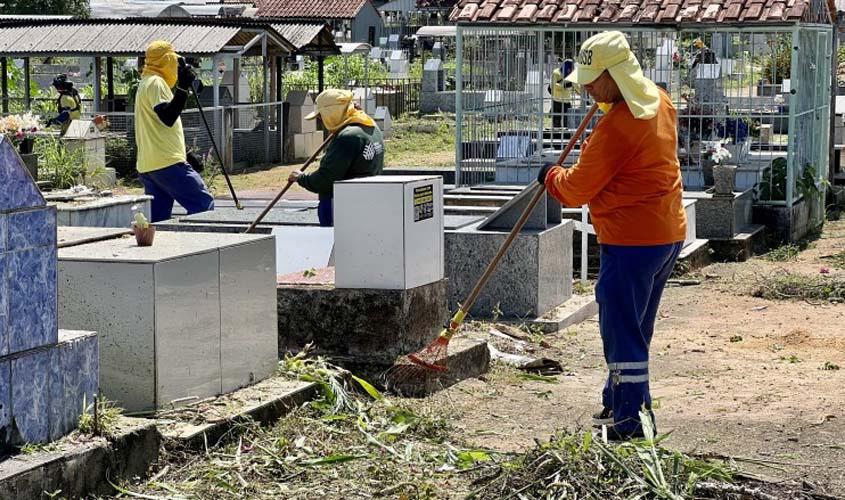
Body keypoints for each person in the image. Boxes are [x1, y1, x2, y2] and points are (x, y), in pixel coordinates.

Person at [536, 31, 688, 441]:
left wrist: (550, 174)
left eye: (593, 78)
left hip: (631, 239)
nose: (586, 86)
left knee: (621, 331)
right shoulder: (659, 101)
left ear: (616, 76)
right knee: (635, 327)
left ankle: (630, 423)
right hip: (666, 232)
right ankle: (622, 401)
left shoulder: (618, 127)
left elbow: (575, 189)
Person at [135, 41, 214, 223]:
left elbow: (157, 127)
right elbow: (168, 117)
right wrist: (183, 87)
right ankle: (200, 248)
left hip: (150, 166)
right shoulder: (156, 83)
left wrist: (185, 154)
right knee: (204, 207)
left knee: (158, 221)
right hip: (167, 164)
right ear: (166, 60)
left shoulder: (145, 83)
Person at [288, 89, 385, 227]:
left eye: (321, 116)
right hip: (366, 201)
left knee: (337, 245)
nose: (321, 120)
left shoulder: (348, 137)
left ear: (332, 113)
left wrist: (301, 178)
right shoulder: (371, 126)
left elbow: (325, 180)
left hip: (340, 205)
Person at [549, 59, 575, 131]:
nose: (570, 70)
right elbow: (552, 86)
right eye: (569, 68)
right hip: (557, 100)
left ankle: (567, 138)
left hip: (567, 101)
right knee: (556, 123)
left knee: (568, 124)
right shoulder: (556, 73)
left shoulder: (572, 74)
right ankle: (555, 137)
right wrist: (564, 85)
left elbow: (575, 86)